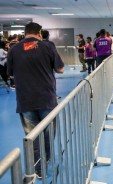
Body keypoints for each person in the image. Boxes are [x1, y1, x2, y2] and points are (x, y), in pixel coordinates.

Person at [6, 22, 64, 179]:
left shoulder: (14, 49)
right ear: (39, 33)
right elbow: (60, 68)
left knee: (32, 136)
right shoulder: (48, 46)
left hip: (25, 100)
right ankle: (48, 160)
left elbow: (10, 73)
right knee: (48, 133)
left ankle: (37, 168)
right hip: (46, 98)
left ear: (25, 33)